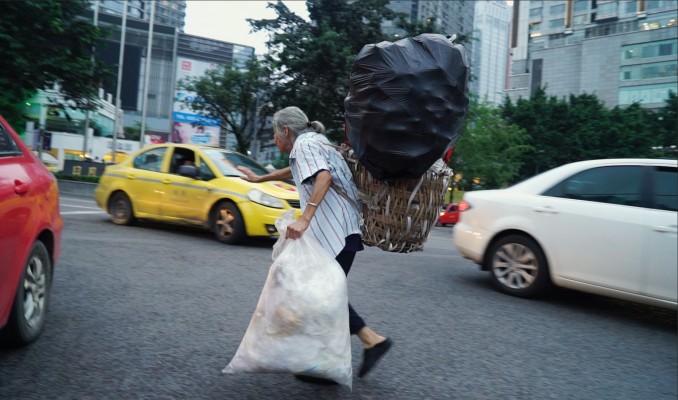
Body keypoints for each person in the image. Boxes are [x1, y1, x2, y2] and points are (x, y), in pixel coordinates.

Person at [237, 106, 393, 383]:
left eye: (275, 133)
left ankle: (370, 342)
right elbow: (296, 170)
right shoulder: (316, 141)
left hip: (334, 234)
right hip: (344, 233)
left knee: (317, 295)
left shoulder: (303, 145)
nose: (275, 139)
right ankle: (325, 363)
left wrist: (305, 218)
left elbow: (324, 176)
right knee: (318, 297)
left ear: (286, 131)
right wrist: (259, 178)